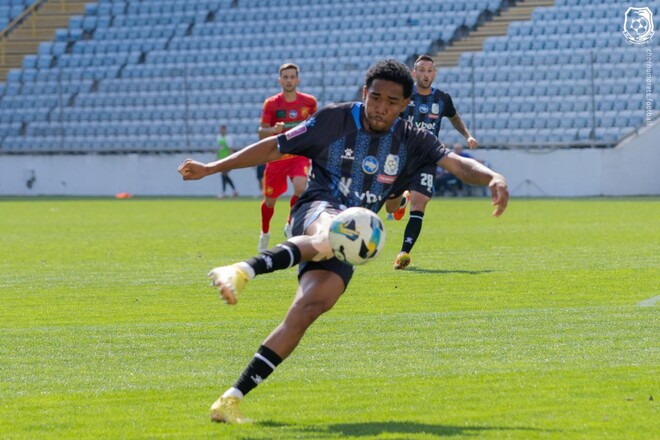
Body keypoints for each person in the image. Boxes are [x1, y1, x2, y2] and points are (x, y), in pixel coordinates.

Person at [177, 59, 509, 424]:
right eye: (375, 97)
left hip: (353, 238)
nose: (381, 107)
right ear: (365, 93)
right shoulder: (334, 119)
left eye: (391, 101)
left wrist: (492, 175)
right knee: (330, 231)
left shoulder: (412, 137)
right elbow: (277, 146)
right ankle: (240, 271)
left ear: (404, 105)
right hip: (317, 208)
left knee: (308, 309)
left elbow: (458, 165)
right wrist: (212, 168)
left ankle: (231, 398)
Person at [392, 54, 479, 270]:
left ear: (435, 73)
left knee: (420, 202)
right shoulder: (403, 96)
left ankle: (404, 252)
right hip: (401, 156)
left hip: (427, 157)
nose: (425, 74)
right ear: (414, 73)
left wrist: (467, 135)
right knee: (390, 203)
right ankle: (400, 201)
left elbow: (454, 117)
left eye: (429, 71)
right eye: (421, 70)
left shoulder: (442, 99)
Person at [257, 62, 318, 252]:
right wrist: (272, 130)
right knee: (269, 201)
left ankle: (290, 222)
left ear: (298, 79)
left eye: (292, 77)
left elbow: (317, 125)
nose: (289, 80)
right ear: (280, 80)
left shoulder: (309, 102)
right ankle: (265, 232)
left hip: (299, 154)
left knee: (301, 187)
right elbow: (261, 132)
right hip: (276, 157)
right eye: (285, 77)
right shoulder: (272, 104)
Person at [216, 125, 238, 198]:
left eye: (223, 129)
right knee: (223, 175)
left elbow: (231, 149)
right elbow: (219, 149)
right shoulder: (218, 138)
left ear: (225, 130)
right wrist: (217, 158)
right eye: (221, 129)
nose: (222, 131)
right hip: (221, 160)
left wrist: (231, 159)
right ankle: (233, 191)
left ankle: (225, 192)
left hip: (226, 159)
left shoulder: (228, 138)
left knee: (223, 175)